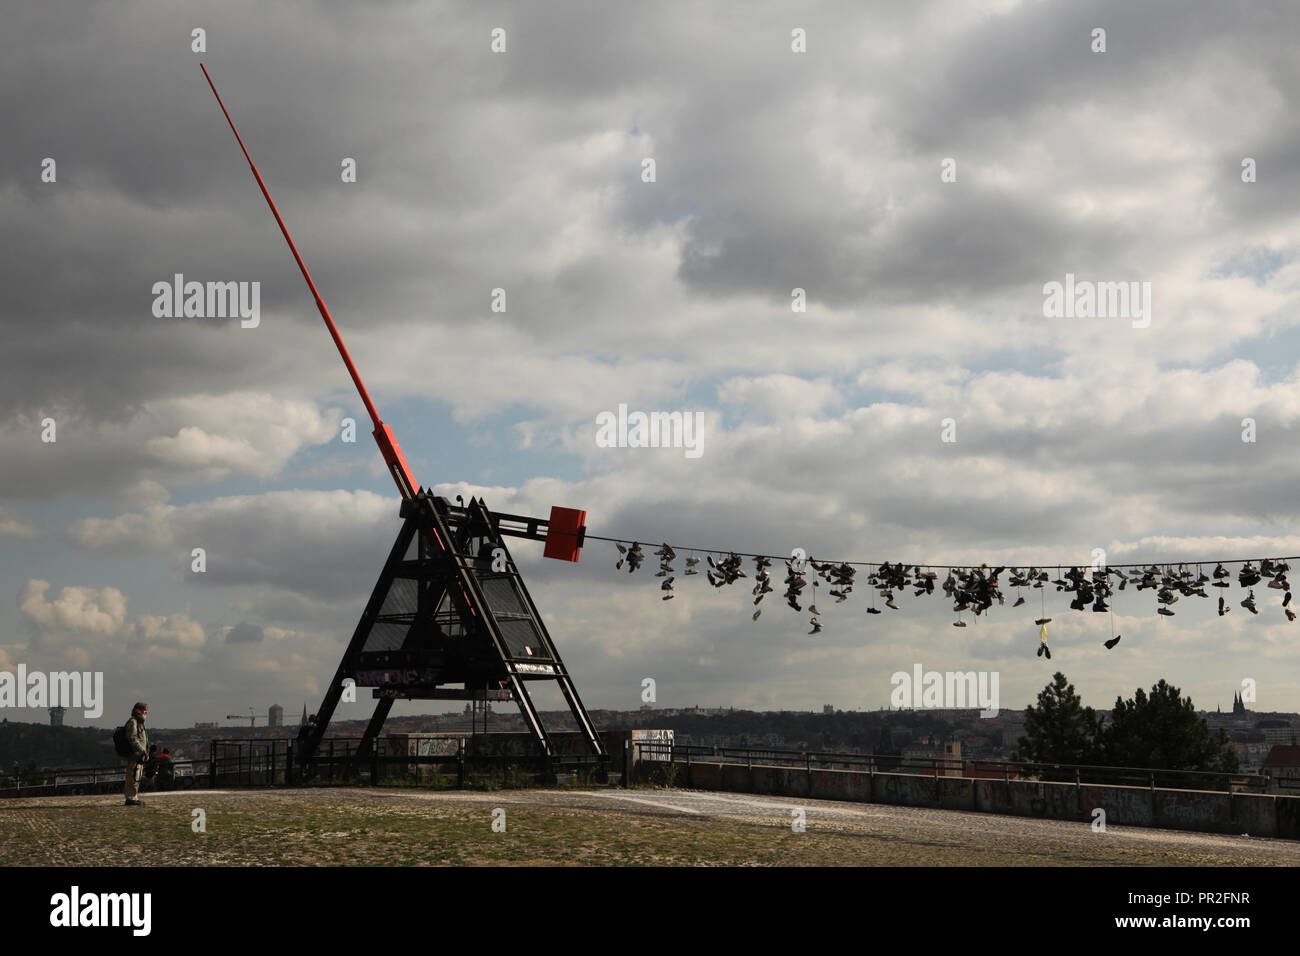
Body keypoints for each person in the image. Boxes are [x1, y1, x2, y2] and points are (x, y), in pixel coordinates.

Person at [123, 702, 149, 806]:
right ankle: (130, 797)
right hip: (134, 754)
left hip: (139, 755)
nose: (146, 713)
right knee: (132, 775)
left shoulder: (139, 722)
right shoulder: (133, 722)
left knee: (136, 776)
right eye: (145, 711)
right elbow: (132, 738)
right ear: (139, 711)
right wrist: (141, 750)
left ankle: (134, 796)